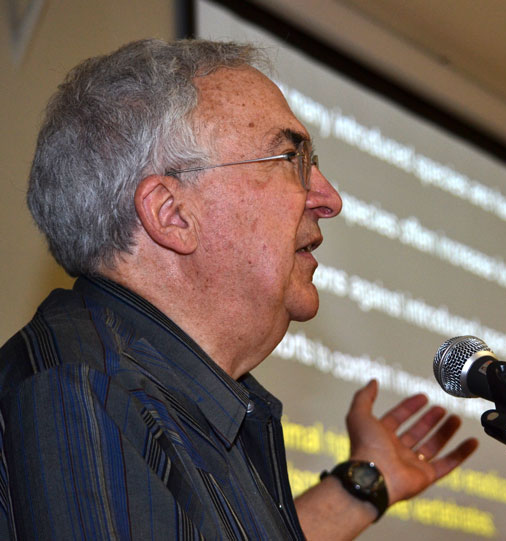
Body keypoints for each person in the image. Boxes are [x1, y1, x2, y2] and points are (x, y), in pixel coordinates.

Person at [0, 38, 477, 540]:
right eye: (290, 157)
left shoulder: (167, 392)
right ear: (172, 214)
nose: (329, 198)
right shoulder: (87, 393)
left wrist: (364, 484)